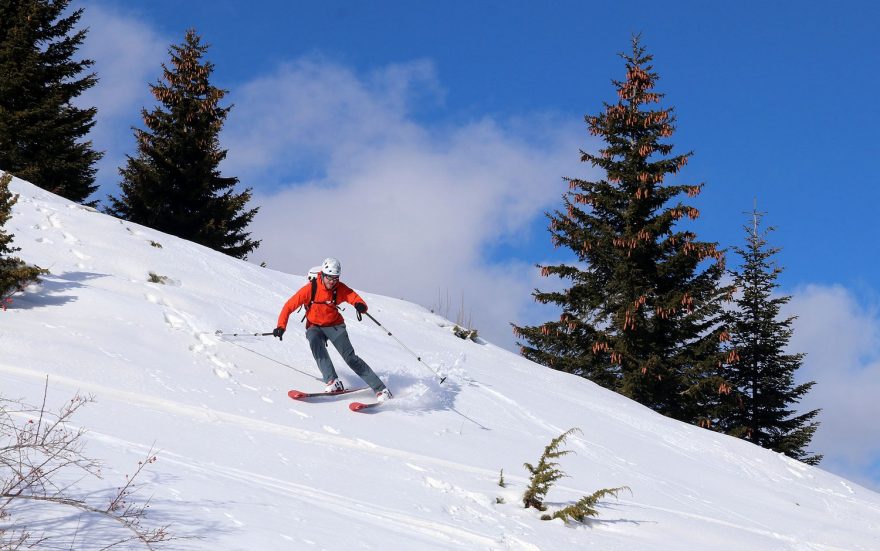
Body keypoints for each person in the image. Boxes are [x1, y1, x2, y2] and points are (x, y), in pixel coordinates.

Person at [273, 257, 392, 403]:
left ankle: (381, 389)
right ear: (322, 274)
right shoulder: (310, 289)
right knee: (314, 341)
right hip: (315, 326)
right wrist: (281, 326)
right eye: (330, 277)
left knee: (350, 358)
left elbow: (353, 297)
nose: (332, 281)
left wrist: (360, 305)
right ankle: (332, 381)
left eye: (336, 278)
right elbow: (288, 306)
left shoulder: (339, 288)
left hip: (334, 325)